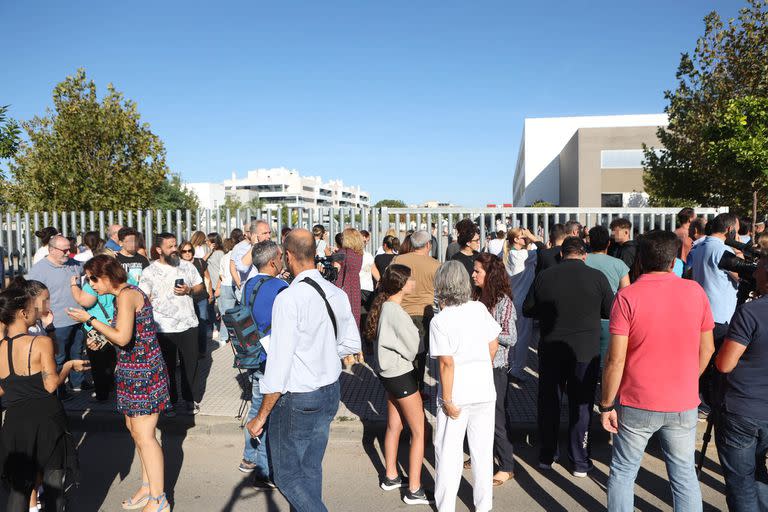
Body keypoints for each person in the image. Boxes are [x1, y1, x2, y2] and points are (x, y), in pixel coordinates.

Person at [245, 229, 361, 512]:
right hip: (330, 391)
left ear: (287, 256)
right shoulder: (335, 292)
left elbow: (279, 366)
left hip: (299, 399)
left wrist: (261, 416)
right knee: (309, 469)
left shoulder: (290, 298)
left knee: (286, 475)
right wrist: (320, 353)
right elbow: (350, 344)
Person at [600, 230, 714, 511]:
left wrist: (605, 404)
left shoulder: (627, 297)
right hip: (683, 401)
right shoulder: (695, 292)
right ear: (674, 259)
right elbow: (708, 349)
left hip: (637, 400)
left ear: (640, 258)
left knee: (624, 472)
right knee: (684, 474)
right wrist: (688, 379)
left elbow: (615, 360)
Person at [67, 255, 172, 512]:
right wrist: (100, 339)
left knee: (145, 436)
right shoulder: (121, 296)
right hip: (131, 370)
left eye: (93, 279)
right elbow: (124, 333)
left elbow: (123, 338)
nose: (91, 285)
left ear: (107, 276)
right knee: (136, 431)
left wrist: (90, 320)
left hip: (144, 372)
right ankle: (148, 487)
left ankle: (159, 500)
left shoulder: (126, 295)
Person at [524, 236, 613, 476]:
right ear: (585, 255)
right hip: (585, 351)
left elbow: (528, 308)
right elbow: (610, 310)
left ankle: (546, 455)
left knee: (549, 402)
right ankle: (579, 461)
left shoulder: (545, 276)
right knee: (581, 405)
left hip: (551, 348)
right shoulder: (597, 277)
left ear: (561, 254)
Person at [0, 284, 88, 512]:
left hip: (15, 424)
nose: (37, 310)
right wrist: (68, 366)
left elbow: (2, 391)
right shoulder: (40, 343)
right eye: (32, 307)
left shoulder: (0, 348)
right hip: (47, 421)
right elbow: (50, 386)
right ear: (22, 313)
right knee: (53, 487)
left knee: (19, 490)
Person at [430, 261, 500, 512]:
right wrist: (483, 367)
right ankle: (483, 506)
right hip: (483, 389)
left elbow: (446, 363)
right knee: (482, 452)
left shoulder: (440, 321)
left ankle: (446, 506)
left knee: (448, 452)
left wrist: (447, 399)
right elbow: (493, 344)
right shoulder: (479, 308)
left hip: (456, 394)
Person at [364, 264, 430, 505]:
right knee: (419, 431)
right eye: (410, 279)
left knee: (394, 425)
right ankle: (414, 489)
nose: (413, 283)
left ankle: (391, 476)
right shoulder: (396, 311)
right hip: (400, 374)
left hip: (388, 374)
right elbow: (414, 347)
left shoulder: (386, 306)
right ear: (402, 285)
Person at [237, 241, 289, 489]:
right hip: (272, 357)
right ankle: (265, 471)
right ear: (272, 262)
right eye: (280, 256)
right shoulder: (281, 286)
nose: (283, 260)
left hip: (254, 353)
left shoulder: (249, 283)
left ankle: (249, 458)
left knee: (257, 406)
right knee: (268, 412)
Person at [715, 283, 768, 511]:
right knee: (758, 471)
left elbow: (724, 364)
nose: (755, 271)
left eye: (760, 266)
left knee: (741, 484)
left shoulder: (752, 311)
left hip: (742, 409)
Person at [139, 233, 204, 416]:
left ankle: (190, 400)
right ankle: (170, 402)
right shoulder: (149, 272)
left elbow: (200, 287)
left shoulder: (187, 266)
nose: (175, 249)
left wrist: (189, 290)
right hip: (162, 328)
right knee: (166, 367)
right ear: (159, 250)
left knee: (190, 365)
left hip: (188, 323)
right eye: (170, 246)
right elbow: (142, 298)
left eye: (175, 245)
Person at [472, 253, 517, 486]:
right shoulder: (477, 297)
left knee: (497, 416)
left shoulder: (503, 302)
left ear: (490, 275)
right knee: (479, 414)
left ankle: (507, 465)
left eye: (477, 271)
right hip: (476, 364)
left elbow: (512, 336)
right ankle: (484, 454)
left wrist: (486, 334)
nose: (473, 274)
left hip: (495, 367)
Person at [27, 235, 85, 397]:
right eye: (64, 250)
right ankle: (58, 389)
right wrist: (43, 320)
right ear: (51, 250)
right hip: (57, 323)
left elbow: (87, 266)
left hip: (77, 319)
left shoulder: (73, 264)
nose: (69, 253)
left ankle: (78, 382)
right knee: (58, 358)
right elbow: (33, 296)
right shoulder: (39, 270)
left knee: (77, 352)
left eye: (70, 249)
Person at [392, 230, 440, 391]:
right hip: (423, 313)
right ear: (428, 245)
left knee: (401, 353)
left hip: (400, 311)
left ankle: (403, 385)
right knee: (420, 354)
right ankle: (417, 389)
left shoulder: (398, 259)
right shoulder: (435, 264)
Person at [687, 212, 740, 347]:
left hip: (702, 313)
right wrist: (738, 250)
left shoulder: (698, 248)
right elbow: (741, 275)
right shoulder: (723, 250)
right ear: (729, 230)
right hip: (720, 317)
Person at [585, 225, 630, 365]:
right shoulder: (619, 264)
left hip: (584, 317)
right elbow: (626, 292)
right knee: (607, 364)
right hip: (610, 318)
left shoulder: (582, 261)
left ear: (589, 241)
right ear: (609, 243)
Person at [502, 227, 542, 382]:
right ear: (515, 240)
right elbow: (544, 249)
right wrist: (533, 237)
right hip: (523, 302)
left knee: (511, 334)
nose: (526, 239)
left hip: (510, 300)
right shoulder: (524, 255)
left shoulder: (506, 254)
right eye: (523, 237)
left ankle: (509, 365)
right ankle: (517, 370)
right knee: (523, 337)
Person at [179, 241, 213, 357]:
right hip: (186, 299)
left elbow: (207, 278)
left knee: (202, 324)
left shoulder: (200, 262)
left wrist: (211, 294)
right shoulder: (178, 264)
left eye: (189, 250)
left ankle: (201, 351)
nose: (187, 253)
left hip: (201, 297)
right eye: (184, 251)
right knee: (189, 326)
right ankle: (190, 350)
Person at [232, 220, 272, 291]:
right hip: (251, 293)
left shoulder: (271, 248)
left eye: (269, 233)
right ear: (254, 235)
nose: (268, 236)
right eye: (265, 233)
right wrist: (254, 246)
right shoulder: (243, 249)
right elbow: (242, 268)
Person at [215, 238, 237, 344]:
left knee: (225, 313)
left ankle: (224, 337)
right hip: (237, 285)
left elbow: (221, 274)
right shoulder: (239, 255)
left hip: (225, 285)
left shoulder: (224, 257)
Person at [359, 232, 378, 311]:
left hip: (355, 289)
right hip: (367, 289)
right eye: (366, 241)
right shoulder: (368, 256)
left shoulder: (349, 255)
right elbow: (375, 272)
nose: (367, 243)